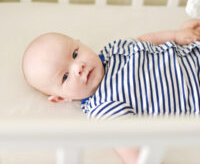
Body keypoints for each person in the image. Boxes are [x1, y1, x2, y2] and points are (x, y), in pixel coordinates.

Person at [22, 19, 200, 164]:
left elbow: (143, 40)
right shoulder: (103, 106)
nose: (78, 67)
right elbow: (131, 151)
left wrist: (176, 35)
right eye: (65, 77)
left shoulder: (112, 50)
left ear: (80, 42)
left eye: (75, 54)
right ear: (60, 98)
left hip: (192, 53)